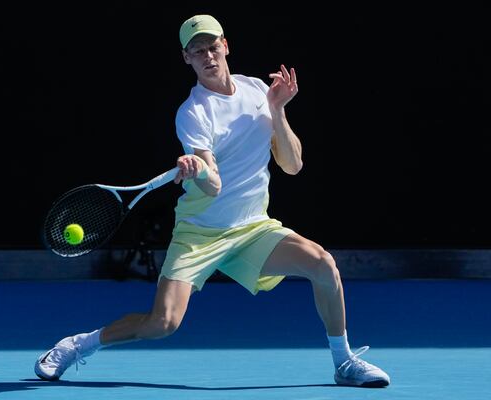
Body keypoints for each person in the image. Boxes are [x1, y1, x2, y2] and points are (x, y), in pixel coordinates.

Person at [34, 14, 390, 388]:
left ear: (226, 46)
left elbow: (293, 164)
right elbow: (214, 186)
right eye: (197, 51)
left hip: (252, 228)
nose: (207, 56)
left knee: (323, 265)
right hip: (200, 233)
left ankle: (344, 362)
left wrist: (278, 109)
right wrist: (200, 170)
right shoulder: (193, 113)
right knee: (162, 324)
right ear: (186, 58)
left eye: (212, 46)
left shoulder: (257, 91)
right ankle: (79, 345)